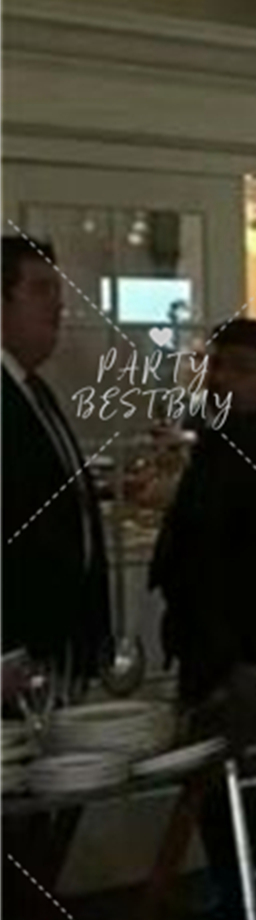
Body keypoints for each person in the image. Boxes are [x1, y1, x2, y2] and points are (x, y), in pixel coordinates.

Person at [149, 317, 256, 706]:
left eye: (241, 368)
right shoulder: (222, 439)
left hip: (243, 655)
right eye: (217, 365)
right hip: (209, 643)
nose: (222, 378)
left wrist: (245, 661)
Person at [0, 235, 112, 683]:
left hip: (54, 647)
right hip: (17, 654)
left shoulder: (32, 388)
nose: (59, 305)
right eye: (41, 289)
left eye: (58, 291)